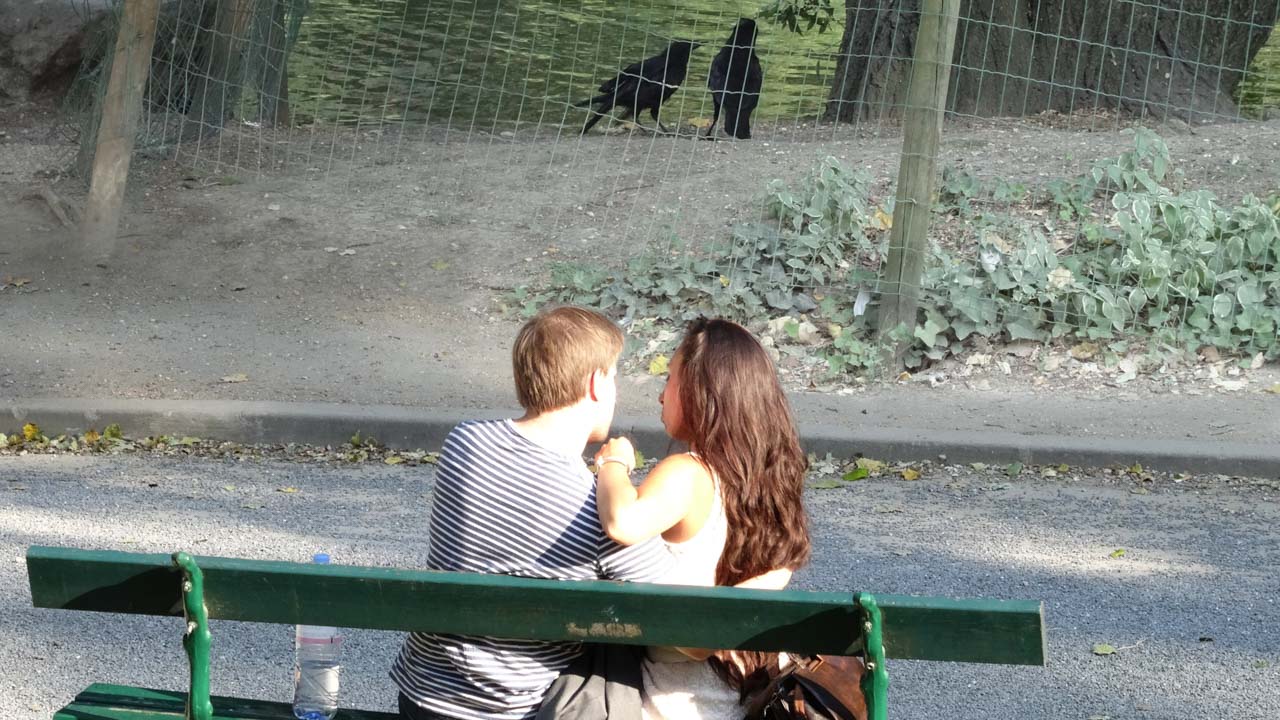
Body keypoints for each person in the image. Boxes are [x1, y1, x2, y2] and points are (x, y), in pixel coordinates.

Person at [392, 305, 675, 720]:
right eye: (613, 377)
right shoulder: (594, 507)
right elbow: (675, 607)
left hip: (422, 696)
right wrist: (615, 470)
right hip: (513, 710)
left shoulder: (464, 443)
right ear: (596, 383)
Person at [593, 317, 812, 720]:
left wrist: (613, 463)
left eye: (670, 379)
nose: (661, 396)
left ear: (700, 390)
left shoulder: (690, 472)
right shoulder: (770, 481)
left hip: (675, 704)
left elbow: (623, 521)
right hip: (750, 697)